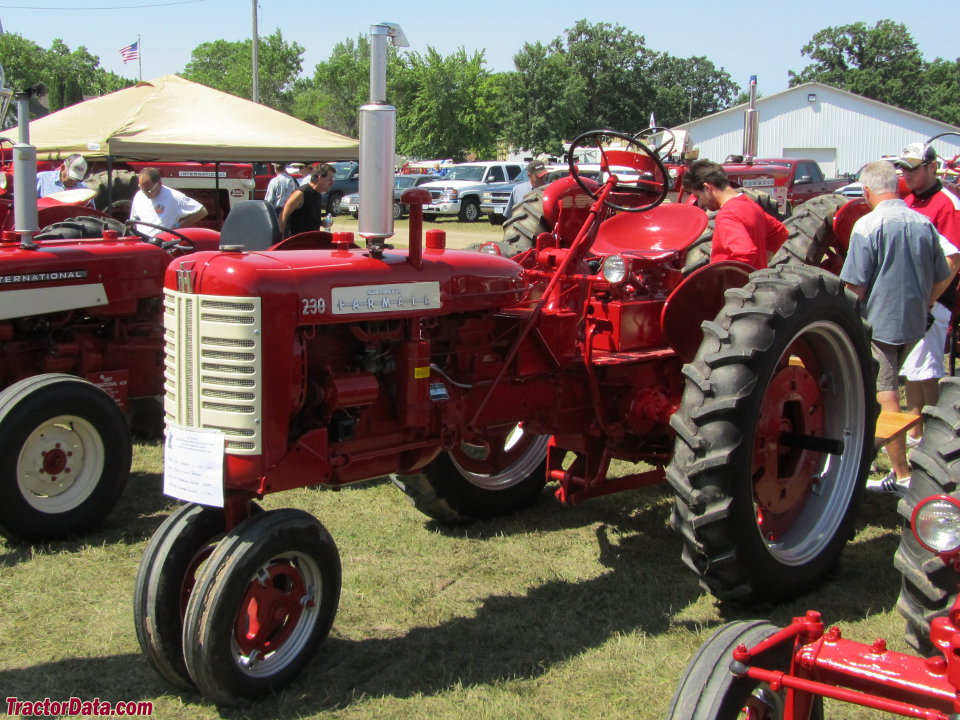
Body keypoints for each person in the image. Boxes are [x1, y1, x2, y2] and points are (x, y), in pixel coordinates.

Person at [839, 160, 952, 495]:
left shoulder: (866, 226)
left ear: (867, 191)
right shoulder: (923, 223)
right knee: (907, 386)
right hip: (916, 322)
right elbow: (941, 275)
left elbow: (854, 288)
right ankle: (904, 453)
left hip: (880, 326)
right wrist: (926, 304)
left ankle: (901, 476)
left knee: (885, 394)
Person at [893, 143, 960, 445]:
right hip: (910, 297)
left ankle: (932, 436)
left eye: (912, 167)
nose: (905, 173)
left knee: (926, 368)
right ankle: (916, 430)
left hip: (933, 298)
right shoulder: (907, 199)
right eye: (903, 167)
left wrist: (930, 299)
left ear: (932, 168)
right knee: (912, 369)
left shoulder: (947, 204)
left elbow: (953, 259)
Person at [681, 159, 788, 270]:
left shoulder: (727, 215)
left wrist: (735, 284)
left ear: (707, 188)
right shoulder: (750, 205)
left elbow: (745, 254)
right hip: (753, 284)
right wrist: (759, 267)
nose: (700, 203)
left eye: (698, 196)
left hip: (734, 286)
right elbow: (780, 233)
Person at [129, 167, 208, 238]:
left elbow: (202, 211)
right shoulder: (139, 195)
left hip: (162, 243)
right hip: (141, 241)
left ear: (159, 184)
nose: (146, 194)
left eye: (149, 191)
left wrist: (177, 226)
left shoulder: (174, 197)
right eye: (142, 189)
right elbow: (134, 219)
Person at [280, 164, 334, 237]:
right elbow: (283, 214)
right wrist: (281, 237)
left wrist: (322, 223)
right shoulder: (300, 194)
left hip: (312, 240)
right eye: (330, 179)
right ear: (320, 178)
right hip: (297, 242)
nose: (332, 183)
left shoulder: (318, 194)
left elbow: (309, 219)